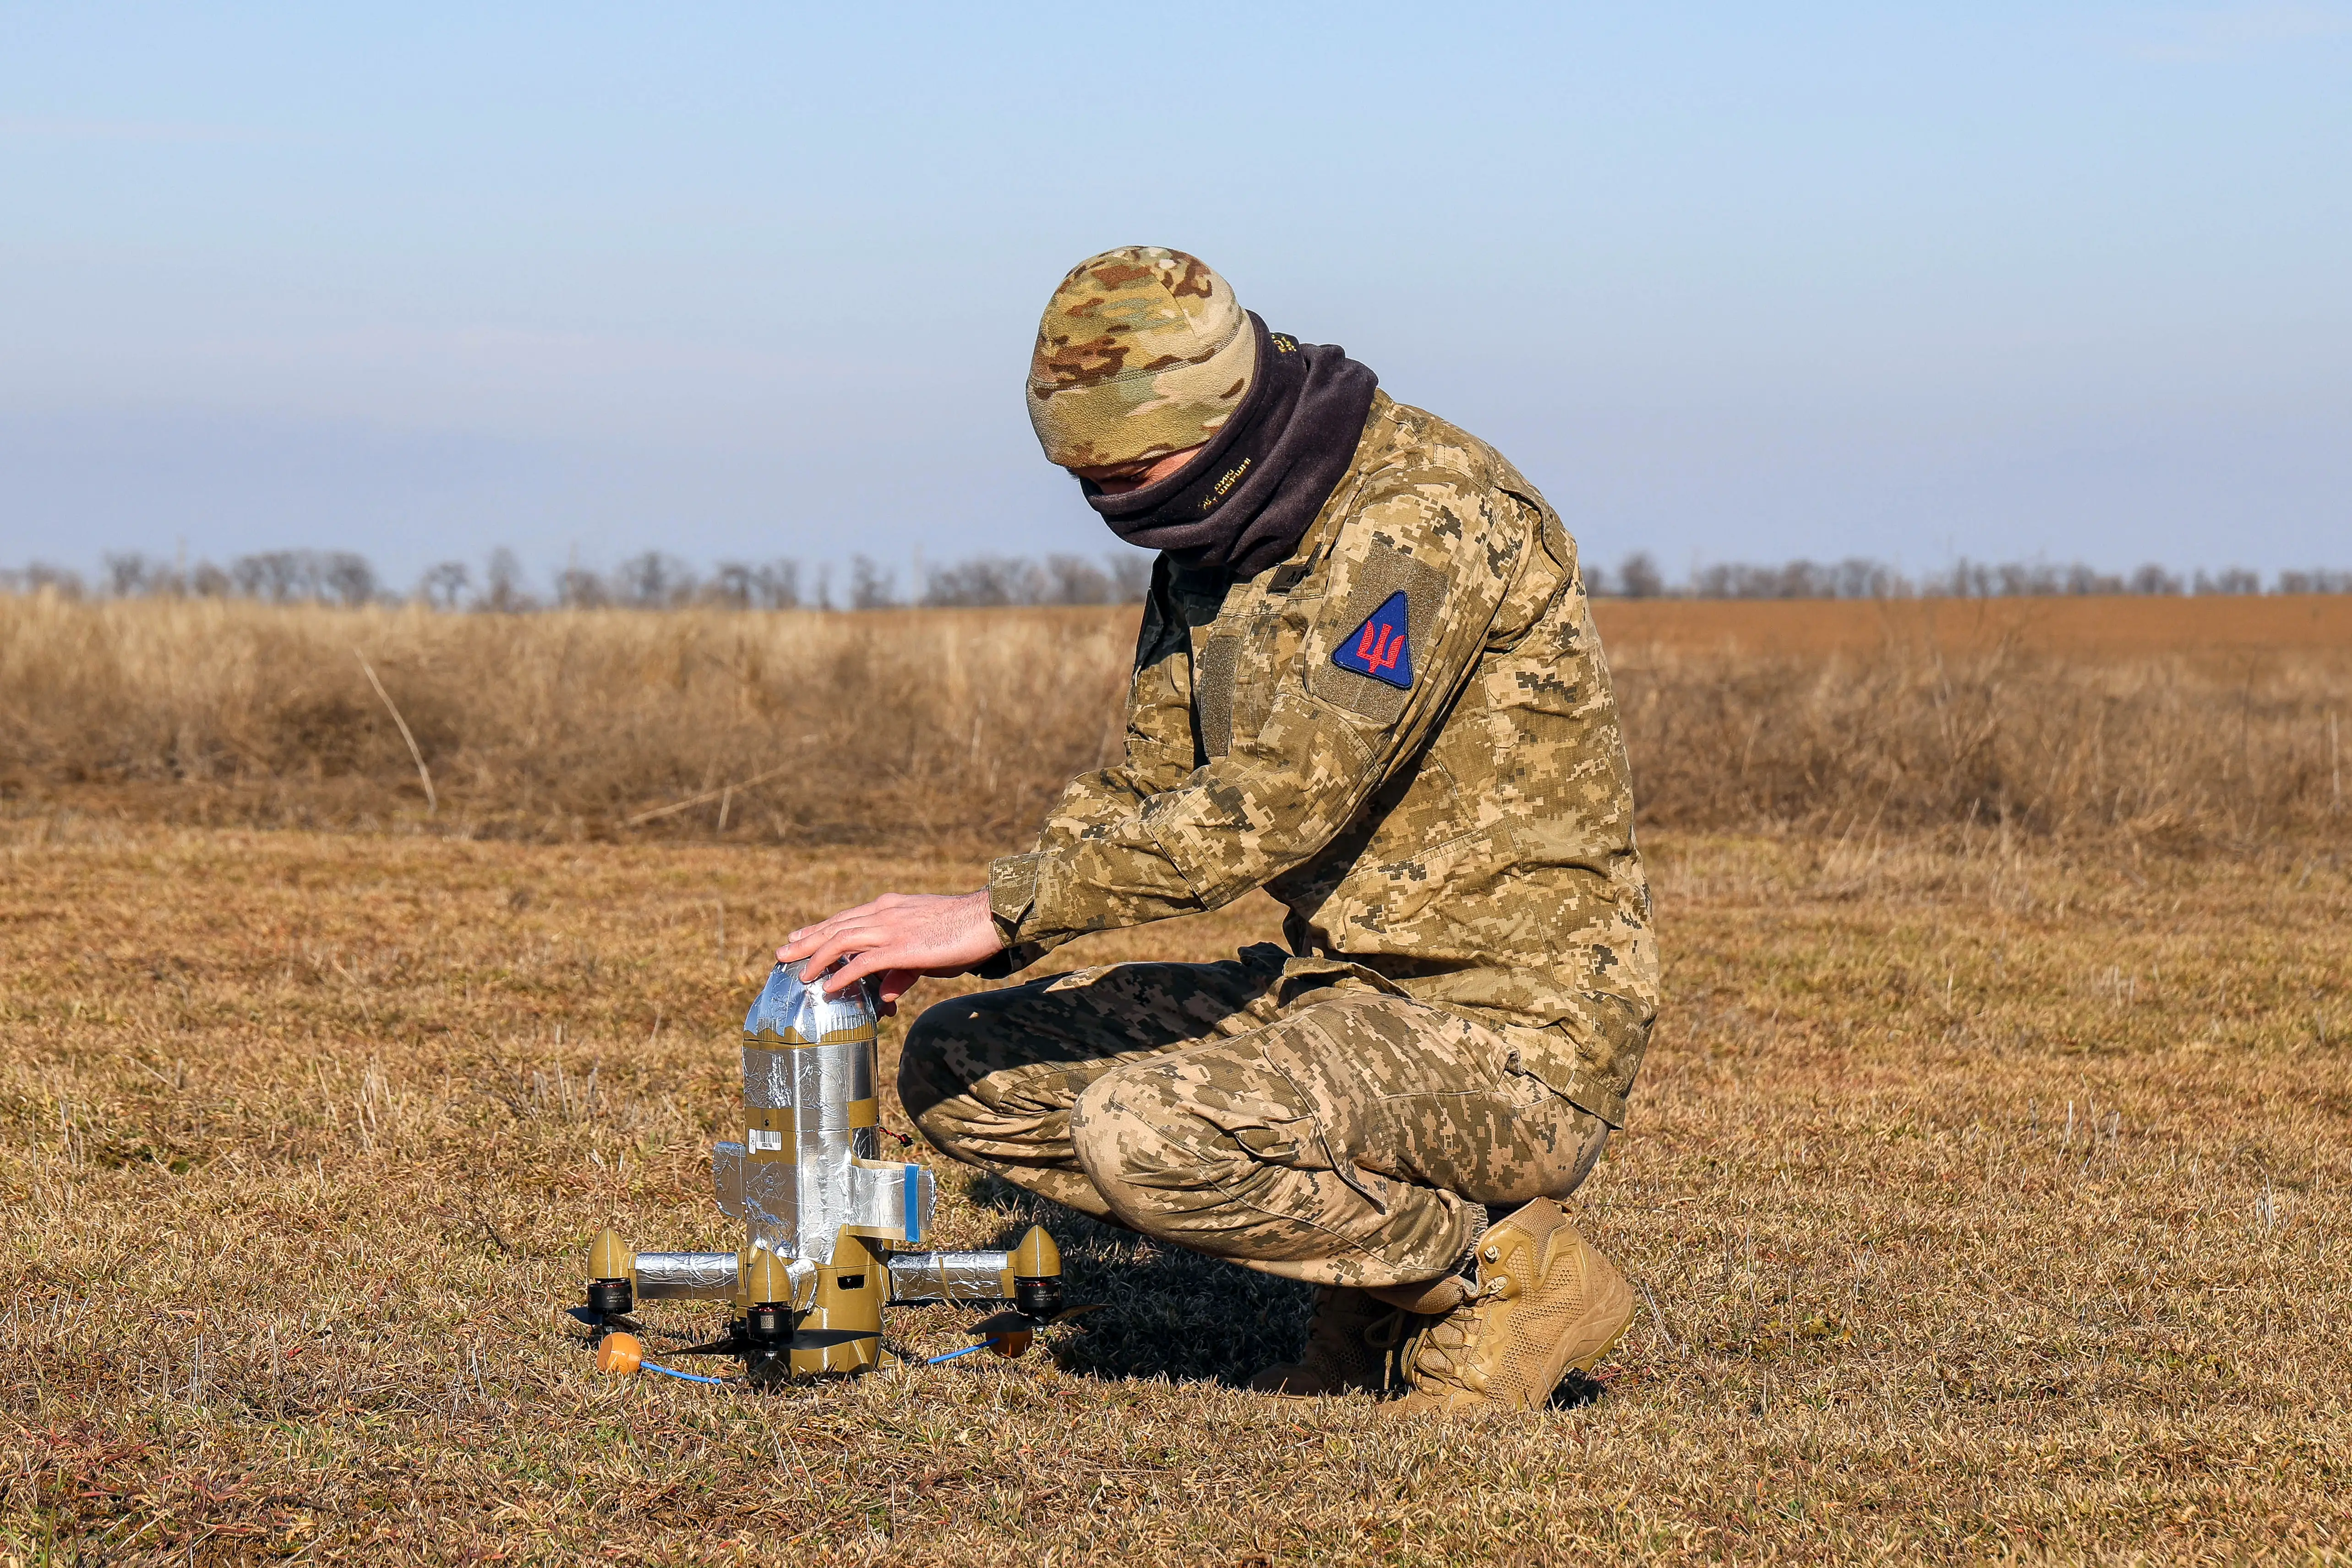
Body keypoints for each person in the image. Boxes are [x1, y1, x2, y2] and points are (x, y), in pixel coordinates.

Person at [780, 246, 1658, 1412]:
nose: (1117, 503)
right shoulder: (1212, 543)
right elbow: (1147, 784)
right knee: (962, 1067)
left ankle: (1498, 1275)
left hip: (1511, 1028)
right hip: (1338, 988)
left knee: (1140, 1129)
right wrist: (992, 939)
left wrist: (1003, 906)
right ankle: (1384, 1288)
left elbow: (1284, 797)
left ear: (1225, 416)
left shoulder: (1423, 519)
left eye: (1136, 467)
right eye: (1088, 476)